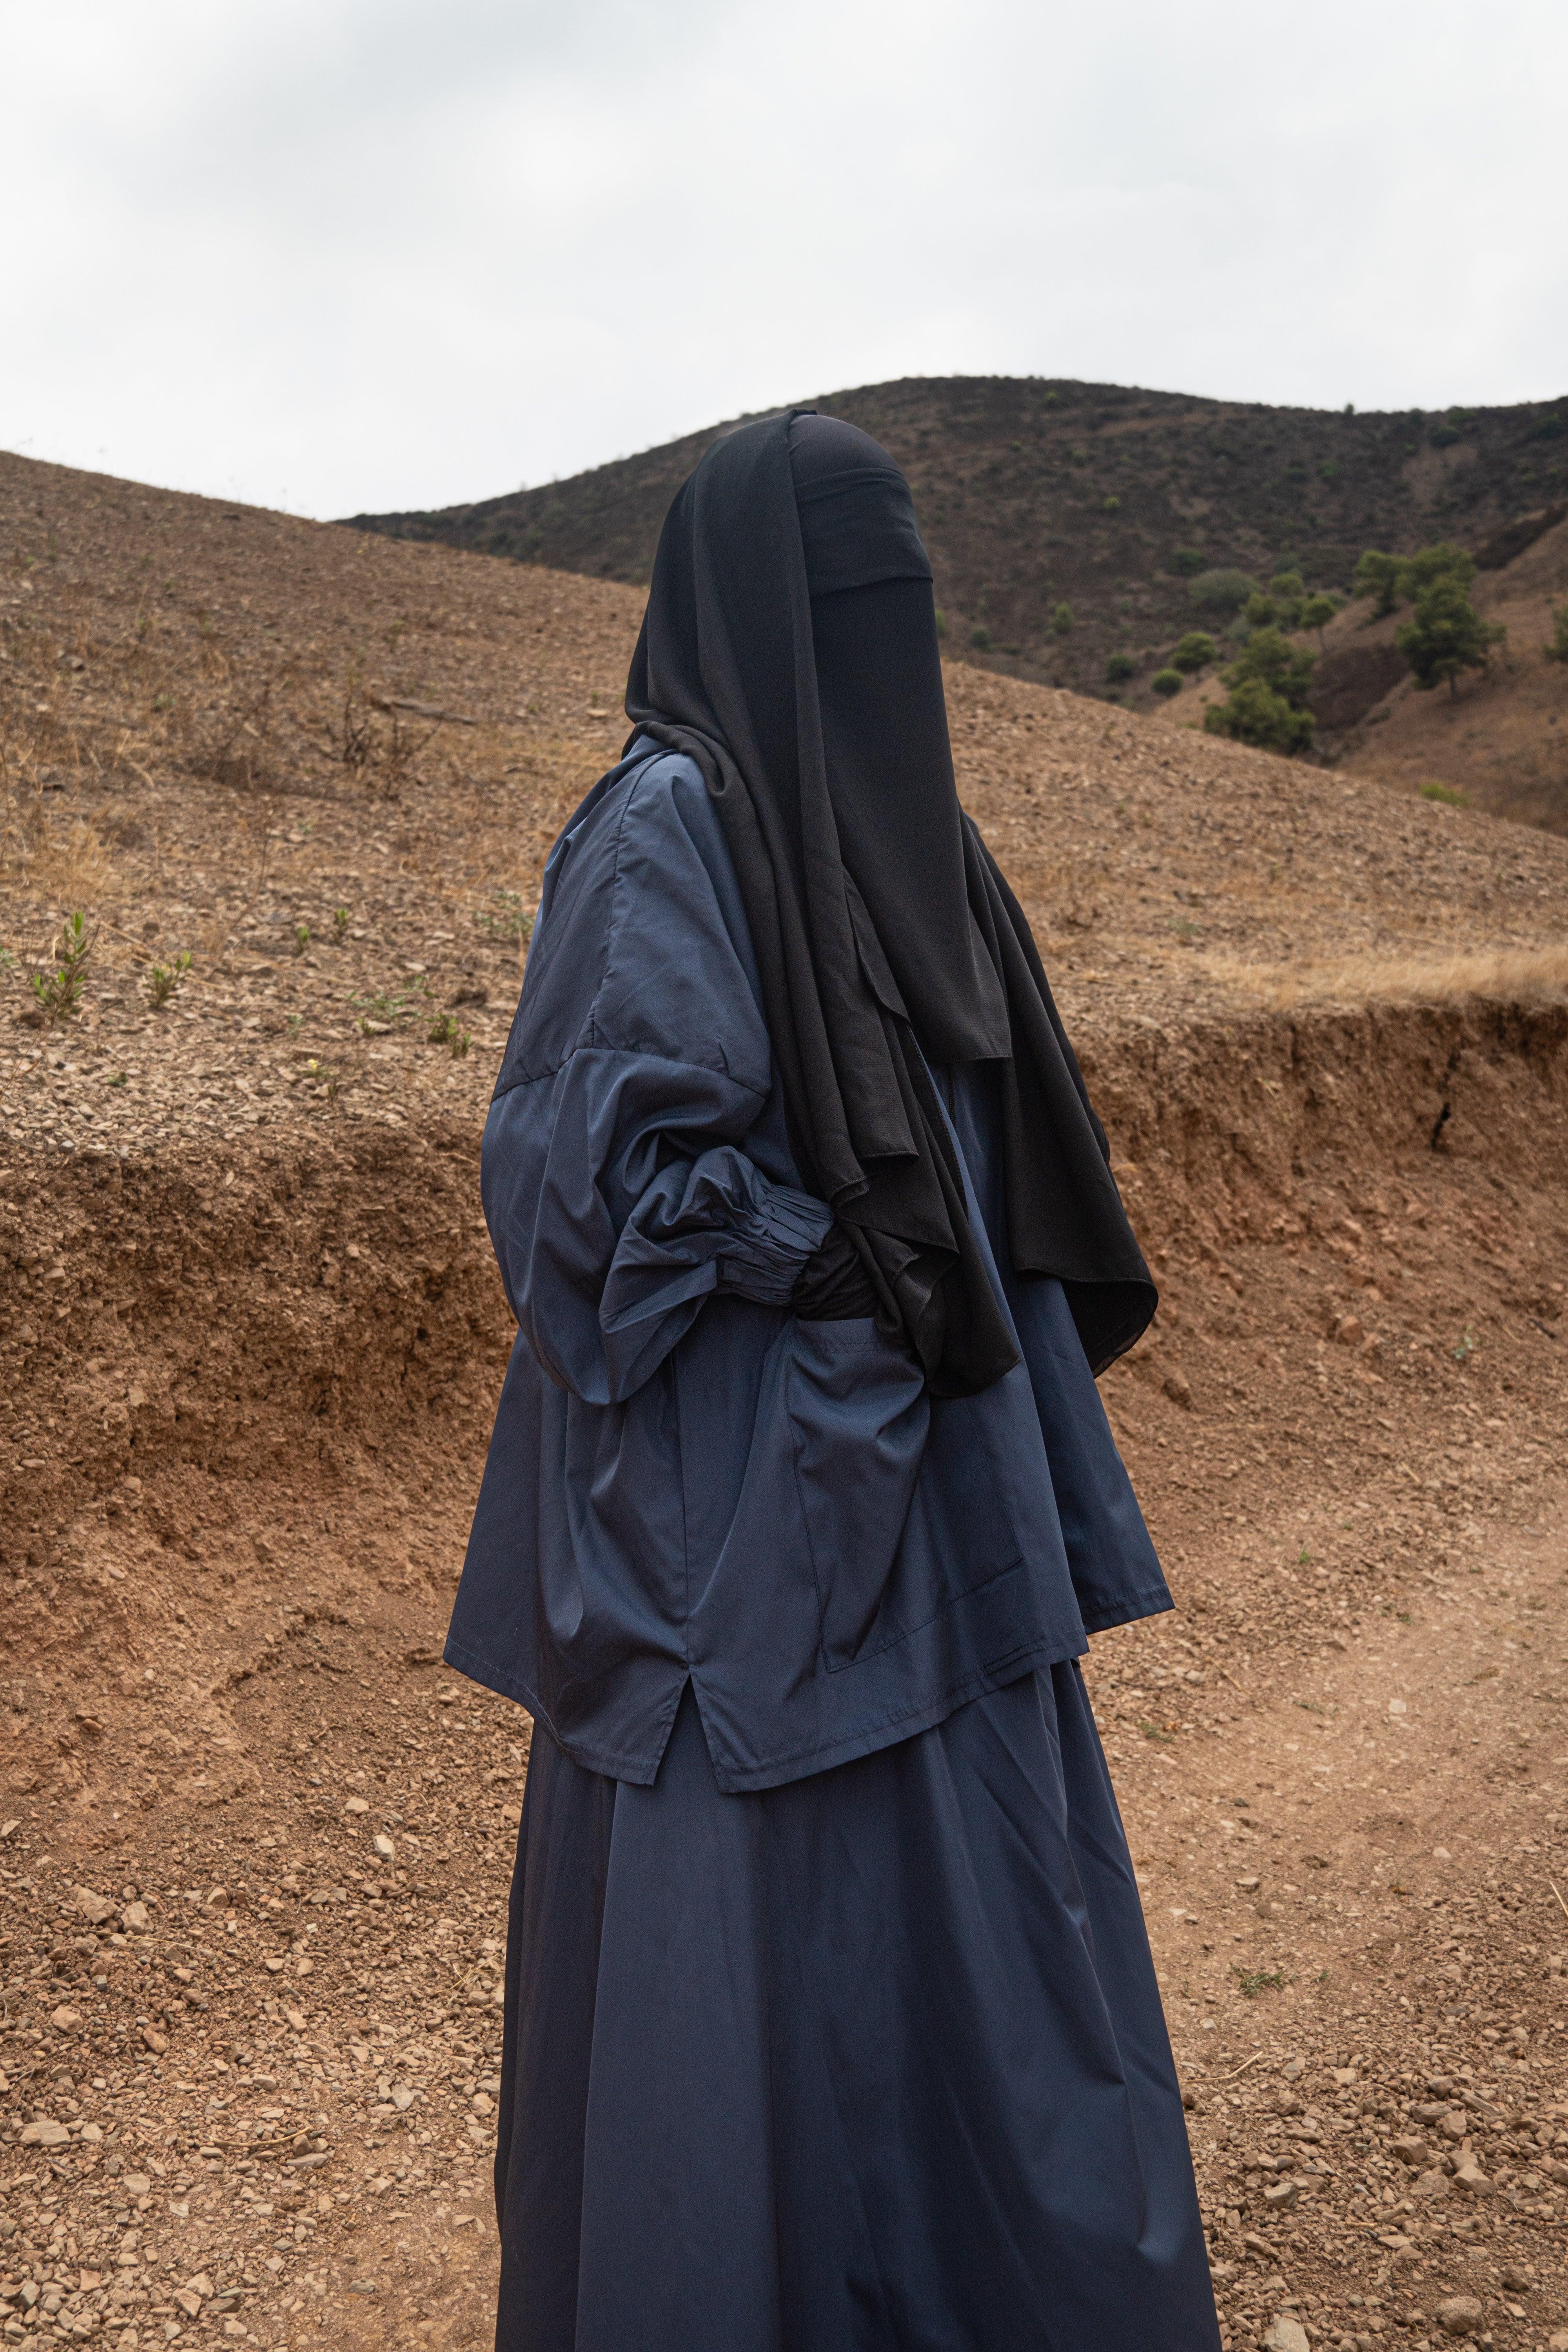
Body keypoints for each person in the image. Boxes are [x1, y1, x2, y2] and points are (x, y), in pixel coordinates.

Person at [446, 410, 1222, 2352]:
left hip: (932, 1483)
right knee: (749, 1938)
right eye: (851, 598)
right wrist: (823, 1254)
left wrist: (899, 1274)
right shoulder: (666, 832)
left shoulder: (901, 821)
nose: (888, 635)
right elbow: (582, 1188)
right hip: (739, 1523)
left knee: (969, 1945)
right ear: (759, 607)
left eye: (906, 597)